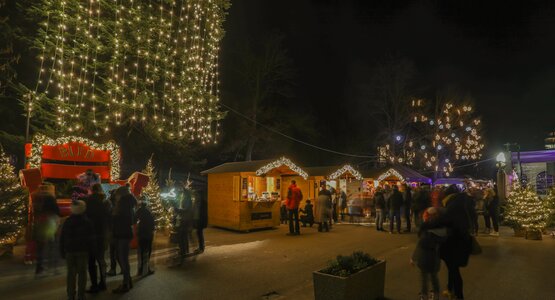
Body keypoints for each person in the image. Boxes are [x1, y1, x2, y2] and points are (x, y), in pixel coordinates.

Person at [439, 185, 474, 300]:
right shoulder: (462, 201)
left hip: (455, 242)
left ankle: (459, 295)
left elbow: (448, 222)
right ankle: (450, 289)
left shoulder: (453, 205)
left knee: (454, 270)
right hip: (461, 239)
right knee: (452, 268)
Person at [60, 200, 95, 300]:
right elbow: (91, 238)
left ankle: (71, 294)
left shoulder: (68, 221)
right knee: (82, 273)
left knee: (71, 274)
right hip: (82, 251)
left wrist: (62, 250)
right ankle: (81, 294)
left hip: (70, 251)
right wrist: (92, 250)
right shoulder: (87, 222)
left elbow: (62, 237)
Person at [411, 207, 448, 300]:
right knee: (434, 276)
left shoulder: (427, 232)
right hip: (436, 258)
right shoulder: (442, 230)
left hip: (424, 257)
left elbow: (420, 245)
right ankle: (435, 294)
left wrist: (413, 257)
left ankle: (424, 295)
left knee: (424, 277)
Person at [84, 184, 110, 293]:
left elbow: (85, 218)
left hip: (90, 235)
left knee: (91, 261)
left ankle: (94, 285)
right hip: (102, 234)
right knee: (101, 260)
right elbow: (108, 218)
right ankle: (103, 283)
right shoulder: (105, 202)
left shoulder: (88, 201)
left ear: (92, 190)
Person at [111, 185, 137, 293]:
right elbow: (132, 220)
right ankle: (128, 281)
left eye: (116, 195)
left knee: (123, 259)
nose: (115, 197)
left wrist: (114, 218)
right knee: (121, 258)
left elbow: (123, 220)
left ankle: (126, 284)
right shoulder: (128, 204)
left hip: (123, 234)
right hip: (123, 233)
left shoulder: (123, 204)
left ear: (120, 195)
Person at [32, 184, 60, 276]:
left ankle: (39, 269)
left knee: (40, 248)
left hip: (40, 223)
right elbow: (56, 210)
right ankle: (53, 268)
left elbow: (34, 210)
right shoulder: (50, 198)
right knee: (53, 247)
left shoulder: (35, 197)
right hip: (50, 223)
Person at [136, 196, 155, 277]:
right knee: (147, 251)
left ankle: (140, 270)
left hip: (141, 233)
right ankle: (146, 270)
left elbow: (134, 219)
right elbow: (152, 223)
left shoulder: (138, 211)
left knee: (141, 251)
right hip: (147, 234)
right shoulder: (148, 211)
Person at [106, 189, 119, 276]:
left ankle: (113, 269)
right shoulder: (120, 204)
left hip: (113, 230)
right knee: (117, 252)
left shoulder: (110, 205)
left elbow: (108, 216)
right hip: (118, 230)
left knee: (113, 251)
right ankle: (120, 269)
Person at [192, 187, 208, 253]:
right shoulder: (197, 202)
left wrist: (202, 221)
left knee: (199, 233)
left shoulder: (203, 202)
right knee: (199, 233)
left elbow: (204, 214)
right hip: (196, 219)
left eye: (197, 194)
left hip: (200, 220)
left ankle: (201, 247)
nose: (196, 196)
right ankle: (201, 246)